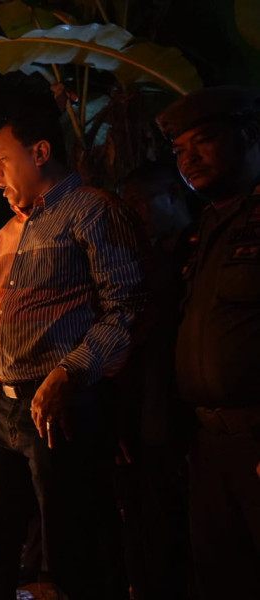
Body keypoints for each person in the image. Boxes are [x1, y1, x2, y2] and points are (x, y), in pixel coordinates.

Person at [0, 111, 148, 599]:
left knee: (75, 550)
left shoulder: (93, 210)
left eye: (1, 161)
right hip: (2, 409)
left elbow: (127, 306)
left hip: (62, 407)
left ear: (40, 153)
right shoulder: (8, 233)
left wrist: (70, 373)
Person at [155, 85, 260, 599]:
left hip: (255, 438)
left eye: (203, 142)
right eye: (179, 151)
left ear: (248, 136)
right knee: (221, 580)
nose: (189, 159)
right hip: (209, 448)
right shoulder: (202, 232)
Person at [114, 162, 193, 599]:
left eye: (140, 202)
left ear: (175, 195)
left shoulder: (195, 254)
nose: (135, 213)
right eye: (127, 206)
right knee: (147, 531)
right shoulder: (137, 265)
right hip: (145, 421)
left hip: (185, 421)